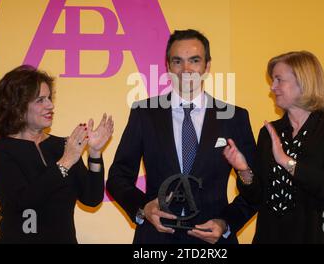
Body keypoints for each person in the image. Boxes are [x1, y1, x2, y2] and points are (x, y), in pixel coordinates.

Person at [106, 29, 256, 244]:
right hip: (156, 240)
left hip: (213, 242)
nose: (186, 69)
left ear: (207, 66)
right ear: (167, 66)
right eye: (178, 61)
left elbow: (256, 189)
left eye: (194, 60)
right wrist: (144, 208)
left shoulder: (234, 117)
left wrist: (226, 223)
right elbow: (118, 178)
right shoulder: (145, 113)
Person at [222, 50, 324, 243]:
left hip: (316, 236)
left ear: (303, 81)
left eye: (279, 80)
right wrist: (243, 170)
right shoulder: (269, 132)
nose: (272, 88)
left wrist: (286, 161)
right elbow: (255, 196)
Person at [0, 65, 114, 243]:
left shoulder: (63, 146)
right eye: (40, 100)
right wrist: (65, 162)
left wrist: (94, 153)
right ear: (17, 107)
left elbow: (91, 198)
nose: (50, 105)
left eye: (49, 98)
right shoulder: (1, 151)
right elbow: (21, 202)